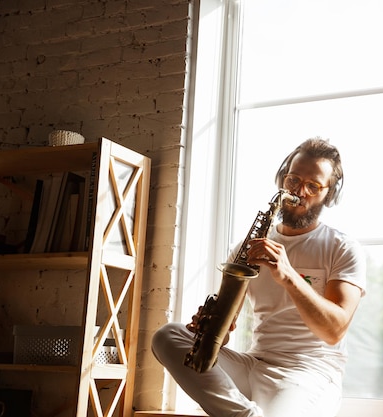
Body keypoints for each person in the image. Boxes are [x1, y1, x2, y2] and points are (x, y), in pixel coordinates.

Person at [151, 137, 366, 417]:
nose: (300, 191)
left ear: (329, 194)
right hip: (253, 364)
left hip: (309, 372)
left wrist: (288, 275)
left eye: (313, 186)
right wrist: (211, 332)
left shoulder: (342, 247)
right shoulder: (248, 246)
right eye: (293, 180)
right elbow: (225, 334)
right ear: (282, 179)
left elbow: (334, 330)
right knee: (166, 336)